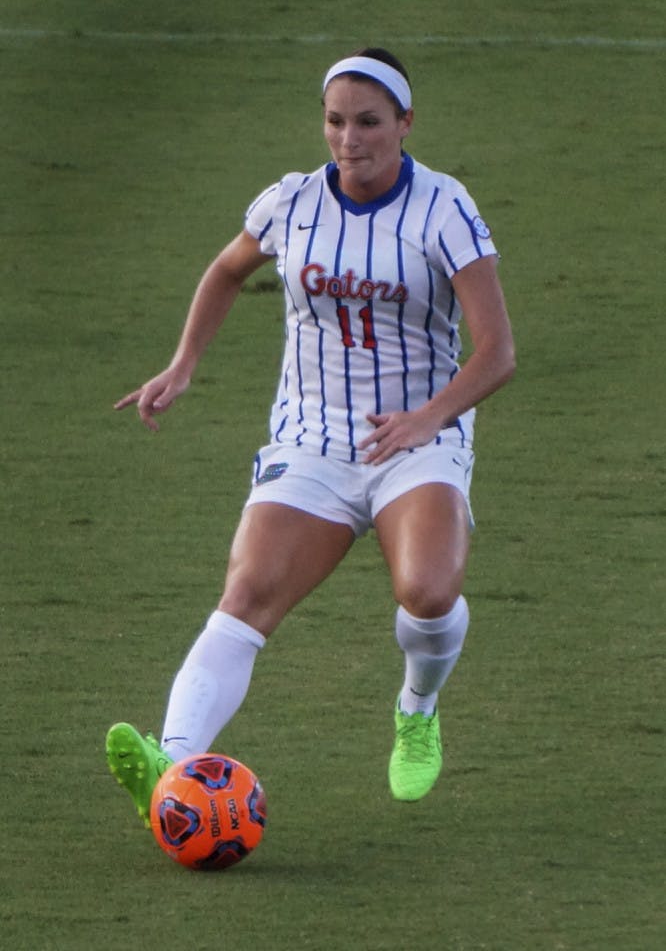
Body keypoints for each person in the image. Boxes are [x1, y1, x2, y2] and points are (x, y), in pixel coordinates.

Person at [106, 47, 515, 821]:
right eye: (335, 121)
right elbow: (228, 270)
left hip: (419, 440)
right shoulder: (291, 202)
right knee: (246, 595)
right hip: (312, 438)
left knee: (428, 593)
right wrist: (184, 363)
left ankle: (417, 711)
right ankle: (173, 766)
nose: (349, 139)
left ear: (405, 123)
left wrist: (427, 419)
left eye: (368, 122)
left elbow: (498, 352)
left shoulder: (443, 208)